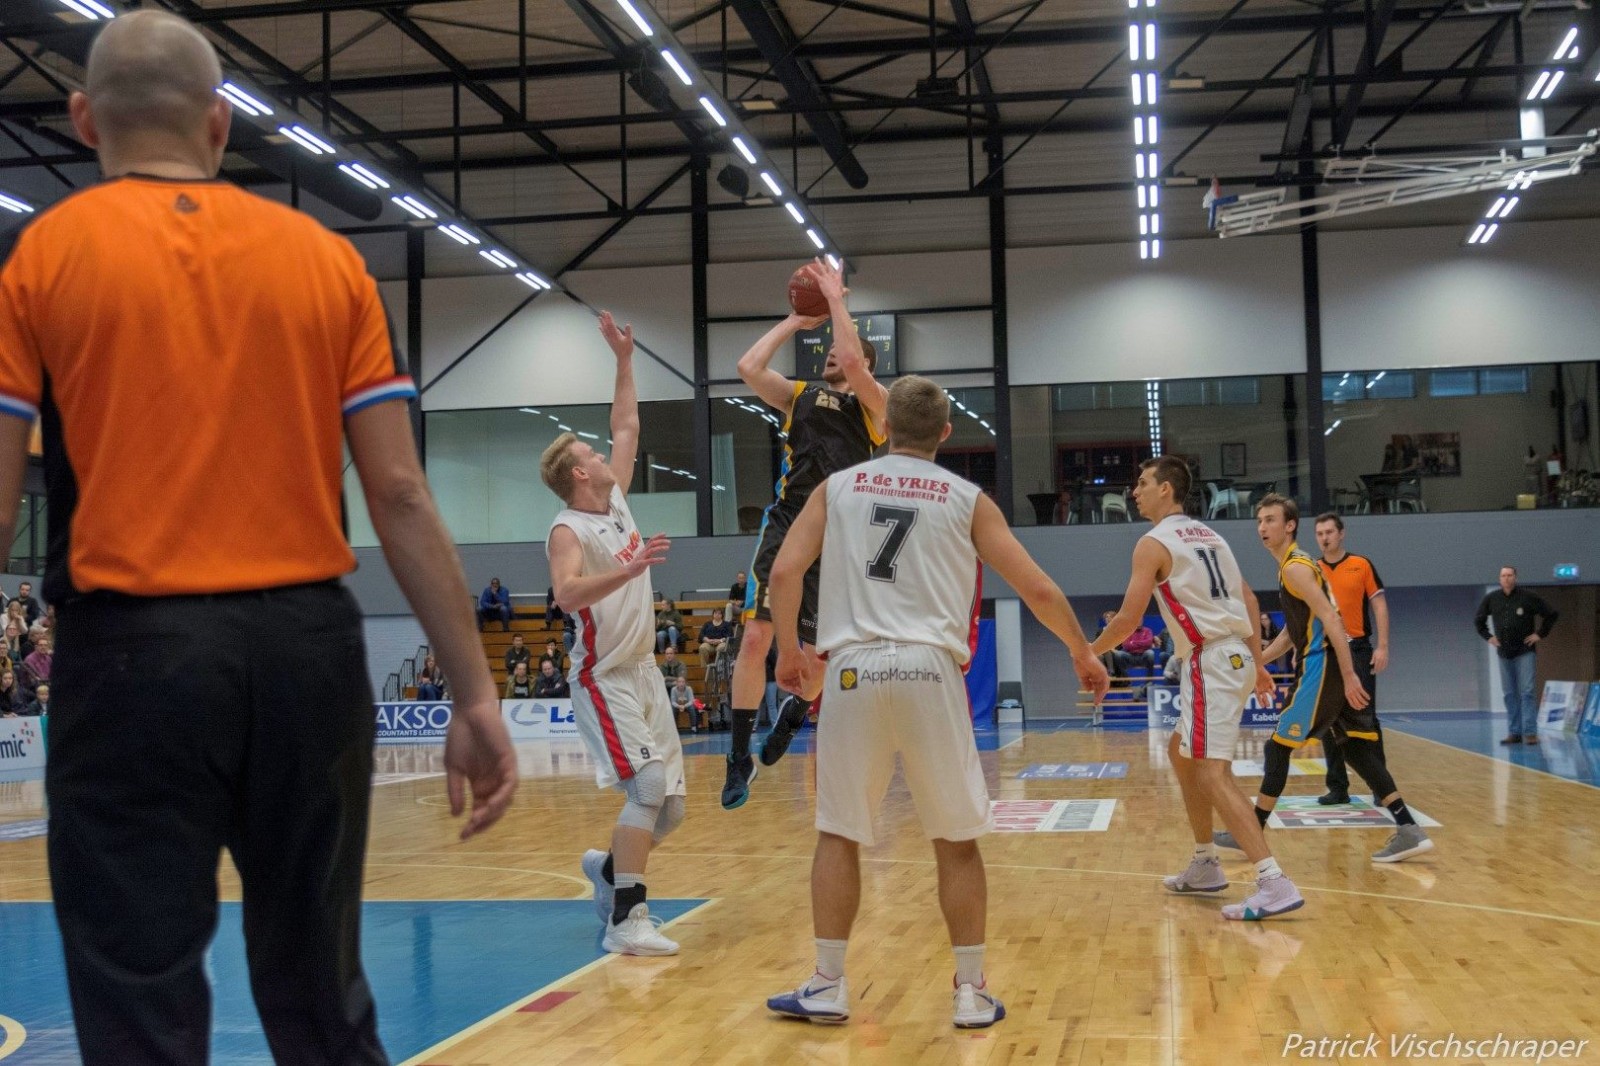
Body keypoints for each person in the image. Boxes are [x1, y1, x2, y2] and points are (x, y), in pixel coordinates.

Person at [0, 12, 519, 1062]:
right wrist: (473, 693)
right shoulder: (326, 261)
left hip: (131, 659)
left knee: (137, 1003)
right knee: (323, 997)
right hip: (306, 658)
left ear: (84, 118)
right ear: (220, 123)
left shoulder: (39, 258)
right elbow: (400, 493)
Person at [763, 376, 1110, 1028]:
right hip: (930, 670)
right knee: (955, 840)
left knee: (839, 833)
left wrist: (787, 649)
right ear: (946, 432)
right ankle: (970, 992)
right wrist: (1082, 651)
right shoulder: (966, 498)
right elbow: (1036, 588)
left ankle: (828, 983)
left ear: (884, 425)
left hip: (852, 669)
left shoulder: (837, 488)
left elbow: (784, 570)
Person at [1092, 458, 1302, 920]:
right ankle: (1206, 862)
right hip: (1232, 655)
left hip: (1210, 660)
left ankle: (1273, 881)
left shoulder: (1153, 543)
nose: (1135, 492)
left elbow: (1127, 620)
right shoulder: (1211, 536)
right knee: (1180, 752)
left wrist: (1089, 654)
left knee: (1211, 773)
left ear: (1166, 489)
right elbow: (1249, 598)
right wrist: (1256, 662)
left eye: (1142, 483)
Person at [723, 258, 889, 809]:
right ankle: (739, 756)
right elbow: (748, 366)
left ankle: (796, 709)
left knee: (816, 661)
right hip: (788, 521)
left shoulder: (876, 409)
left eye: (844, 349)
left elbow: (855, 363)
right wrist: (796, 320)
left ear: (864, 362)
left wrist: (836, 300)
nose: (832, 354)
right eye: (830, 348)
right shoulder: (799, 395)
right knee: (756, 638)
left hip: (838, 535)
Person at [544, 310, 684, 957]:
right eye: (591, 455)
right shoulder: (567, 529)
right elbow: (566, 593)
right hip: (603, 675)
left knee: (671, 809)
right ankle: (627, 920)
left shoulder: (617, 501)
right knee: (648, 789)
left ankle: (607, 870)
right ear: (578, 475)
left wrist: (624, 360)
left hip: (644, 670)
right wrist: (627, 570)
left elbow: (626, 424)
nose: (602, 455)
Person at [1223, 495, 1432, 863]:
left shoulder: (1295, 568)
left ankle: (1250, 833)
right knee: (1355, 750)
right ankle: (1409, 828)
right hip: (1330, 663)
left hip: (1322, 665)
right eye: (1259, 521)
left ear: (1290, 526)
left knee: (1277, 747)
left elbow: (1333, 620)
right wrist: (1258, 662)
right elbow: (1293, 631)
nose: (1262, 527)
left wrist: (1350, 675)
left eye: (1270, 520)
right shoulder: (1295, 565)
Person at [1314, 513, 1390, 804]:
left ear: (1341, 533)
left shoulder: (1361, 564)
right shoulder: (1313, 569)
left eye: (1329, 532)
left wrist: (1382, 646)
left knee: (1365, 717)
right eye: (1320, 533)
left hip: (1357, 650)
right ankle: (1338, 787)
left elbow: (1379, 606)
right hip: (1325, 651)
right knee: (1329, 720)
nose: (1324, 538)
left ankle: (1381, 788)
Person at [1475, 566, 1559, 745]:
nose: (1506, 578)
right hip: (1504, 653)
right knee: (1509, 694)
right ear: (1499, 579)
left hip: (1525, 651)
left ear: (1515, 578)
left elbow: (1552, 614)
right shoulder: (1492, 598)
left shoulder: (1528, 597)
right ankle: (1514, 732)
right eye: (1503, 575)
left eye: (1509, 575)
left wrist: (1540, 634)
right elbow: (1478, 621)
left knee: (1527, 691)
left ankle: (1530, 732)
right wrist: (1489, 637)